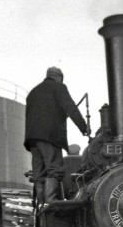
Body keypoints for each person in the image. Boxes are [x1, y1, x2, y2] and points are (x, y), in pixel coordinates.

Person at [24, 67, 90, 204]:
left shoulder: (33, 92)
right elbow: (70, 107)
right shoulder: (59, 87)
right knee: (55, 169)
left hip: (32, 139)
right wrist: (84, 127)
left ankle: (42, 204)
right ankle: (51, 201)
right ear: (59, 77)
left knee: (39, 173)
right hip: (50, 135)